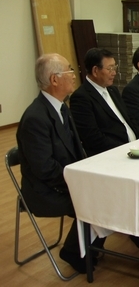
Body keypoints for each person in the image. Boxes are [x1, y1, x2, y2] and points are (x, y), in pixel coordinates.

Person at [16, 53, 101, 273]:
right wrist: (78, 183)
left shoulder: (62, 107)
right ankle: (74, 252)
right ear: (55, 80)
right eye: (69, 70)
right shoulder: (35, 118)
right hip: (45, 191)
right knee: (98, 200)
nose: (74, 75)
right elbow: (45, 169)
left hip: (65, 180)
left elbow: (76, 151)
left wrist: (87, 175)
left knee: (107, 192)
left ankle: (87, 247)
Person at [70, 48, 139, 157]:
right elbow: (93, 138)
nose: (114, 72)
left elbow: (129, 118)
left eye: (115, 67)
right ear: (95, 71)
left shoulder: (113, 90)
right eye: (110, 68)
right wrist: (125, 149)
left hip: (135, 148)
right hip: (112, 155)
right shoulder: (81, 98)